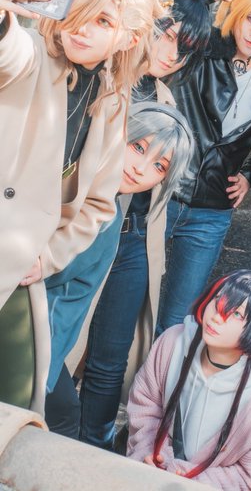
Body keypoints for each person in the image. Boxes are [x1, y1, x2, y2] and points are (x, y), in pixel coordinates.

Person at [75, 0, 237, 450]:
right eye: (165, 36)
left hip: (135, 240)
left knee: (111, 357)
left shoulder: (167, 96)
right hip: (86, 230)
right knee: (61, 344)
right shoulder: (103, 77)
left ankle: (93, 449)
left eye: (184, 50)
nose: (171, 54)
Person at [0, 0, 163, 414]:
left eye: (103, 20)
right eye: (80, 8)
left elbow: (97, 203)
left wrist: (48, 257)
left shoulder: (112, 98)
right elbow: (8, 54)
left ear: (128, 38)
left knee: (16, 405)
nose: (82, 27)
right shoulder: (35, 54)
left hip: (19, 274)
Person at [158, 0, 251, 334]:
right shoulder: (204, 45)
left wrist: (249, 175)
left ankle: (158, 372)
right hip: (161, 194)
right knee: (125, 299)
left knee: (178, 319)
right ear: (237, 11)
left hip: (211, 211)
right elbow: (158, 6)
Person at [44, 100, 193, 439]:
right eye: (137, 147)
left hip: (41, 343)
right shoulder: (74, 184)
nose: (140, 168)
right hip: (28, 337)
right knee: (63, 418)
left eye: (159, 166)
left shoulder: (108, 213)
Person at [127, 269, 251, 490]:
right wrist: (149, 450)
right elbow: (145, 403)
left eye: (237, 314)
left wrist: (191, 480)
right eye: (218, 300)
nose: (217, 315)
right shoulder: (172, 343)